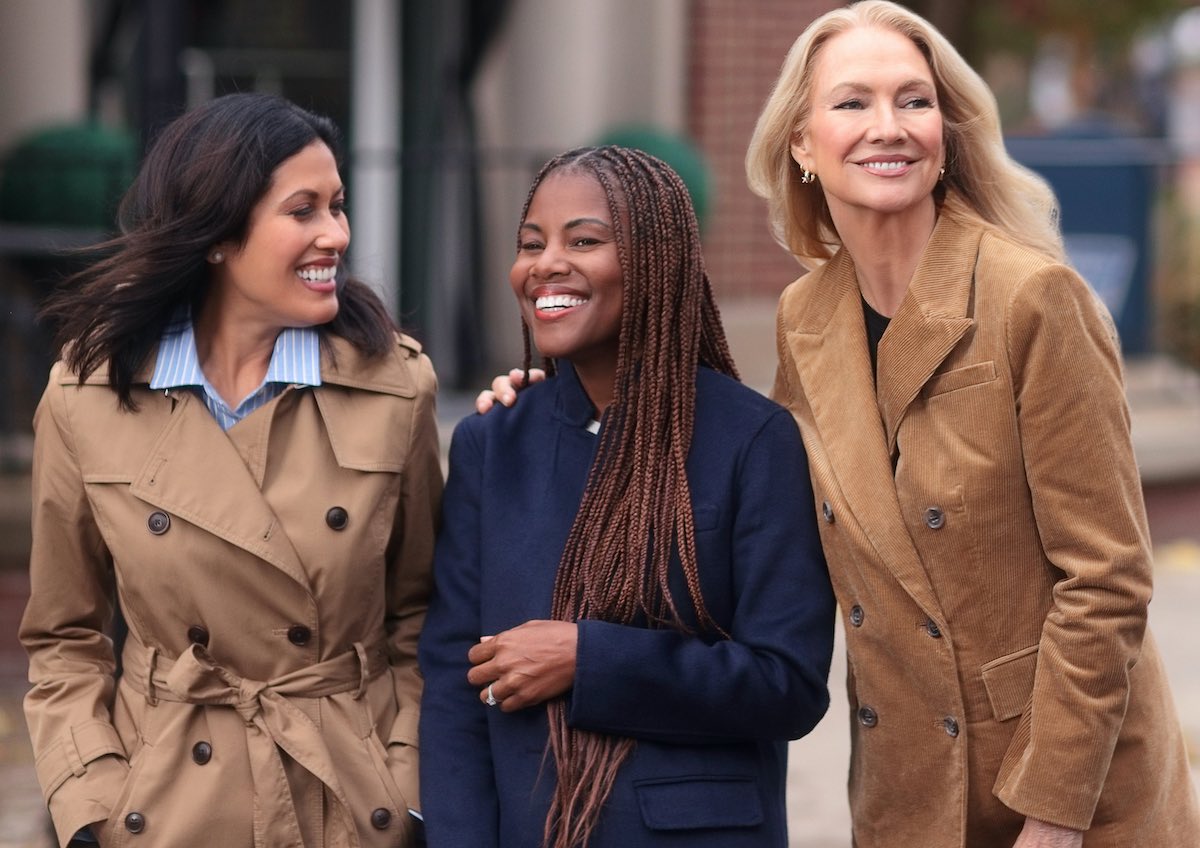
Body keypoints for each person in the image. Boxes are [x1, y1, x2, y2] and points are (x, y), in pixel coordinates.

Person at [480, 3, 1200, 846]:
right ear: (801, 144)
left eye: (914, 101)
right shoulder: (805, 316)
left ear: (946, 132)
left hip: (1068, 789)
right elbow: (734, 471)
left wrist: (1053, 817)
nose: (887, 128)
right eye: (853, 103)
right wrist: (559, 402)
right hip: (907, 792)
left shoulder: (1033, 298)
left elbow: (1107, 581)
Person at [20, 92, 441, 848]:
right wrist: (90, 802)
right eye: (303, 211)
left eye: (337, 208)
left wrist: (404, 783)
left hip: (345, 800)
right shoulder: (84, 395)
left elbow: (423, 618)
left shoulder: (395, 387)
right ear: (216, 235)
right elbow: (64, 635)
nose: (335, 235)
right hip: (167, 804)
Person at [418, 145, 835, 848]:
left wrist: (589, 658)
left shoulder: (752, 440)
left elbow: (786, 682)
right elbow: (454, 688)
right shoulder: (491, 446)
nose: (547, 263)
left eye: (584, 240)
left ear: (656, 260)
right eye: (531, 244)